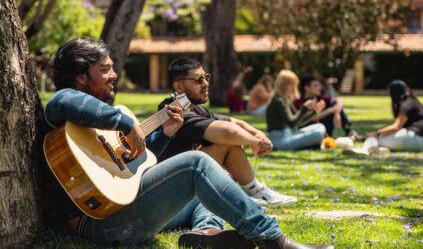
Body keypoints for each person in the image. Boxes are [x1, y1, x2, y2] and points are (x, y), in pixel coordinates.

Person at [40, 38, 327, 249]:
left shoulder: (92, 127)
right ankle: (273, 240)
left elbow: (136, 167)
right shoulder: (62, 109)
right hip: (100, 224)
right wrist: (125, 122)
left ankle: (206, 235)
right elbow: (67, 99)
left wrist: (165, 134)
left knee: (211, 186)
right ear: (80, 77)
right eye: (104, 69)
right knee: (198, 163)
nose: (113, 75)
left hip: (124, 212)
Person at [158, 58, 297, 206]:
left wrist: (257, 133)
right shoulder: (172, 111)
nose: (206, 83)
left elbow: (234, 122)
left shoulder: (192, 107)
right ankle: (251, 192)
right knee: (226, 141)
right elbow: (227, 131)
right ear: (178, 86)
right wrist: (255, 142)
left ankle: (255, 191)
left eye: (206, 77)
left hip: (186, 180)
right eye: (198, 80)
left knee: (229, 140)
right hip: (173, 191)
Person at [266, 70, 326, 150]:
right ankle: (312, 145)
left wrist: (314, 112)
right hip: (280, 141)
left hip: (289, 134)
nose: (293, 88)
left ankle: (312, 145)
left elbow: (299, 123)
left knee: (320, 126)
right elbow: (292, 123)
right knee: (318, 135)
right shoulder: (278, 101)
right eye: (291, 84)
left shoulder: (285, 100)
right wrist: (303, 108)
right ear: (283, 85)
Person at [364, 80, 423, 152]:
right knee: (382, 139)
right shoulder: (413, 102)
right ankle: (383, 149)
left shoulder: (407, 104)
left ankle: (367, 150)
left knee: (374, 140)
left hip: (414, 139)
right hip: (422, 142)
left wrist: (375, 134)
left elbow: (396, 127)